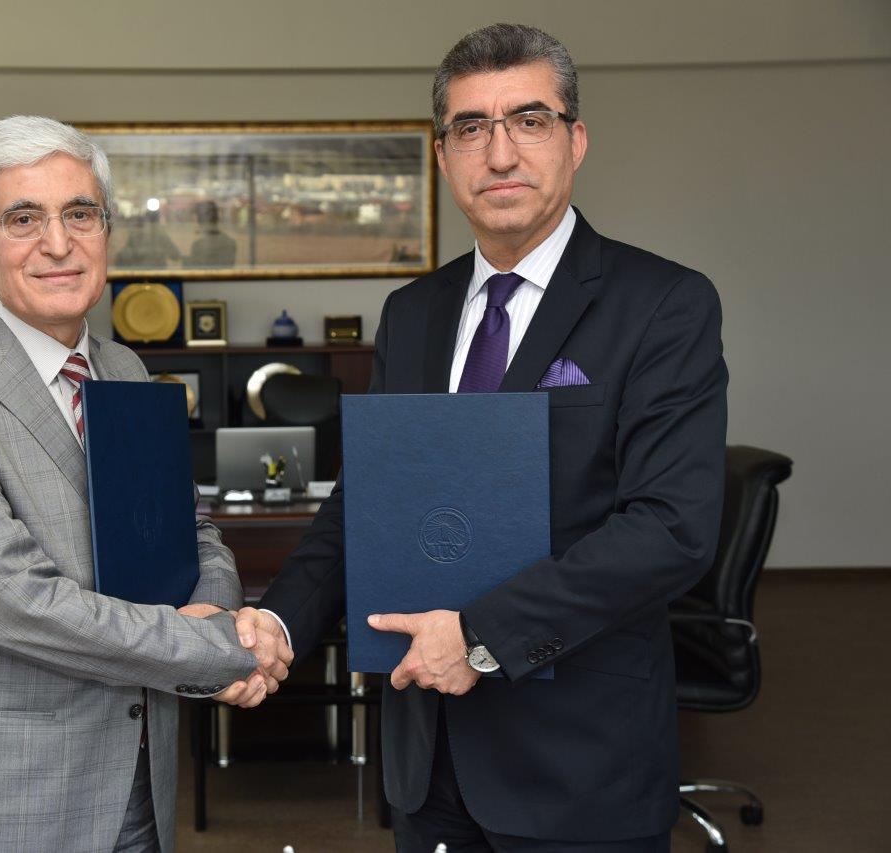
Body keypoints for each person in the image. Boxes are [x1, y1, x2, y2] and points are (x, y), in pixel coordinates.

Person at [234, 23, 728, 852]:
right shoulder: (412, 313)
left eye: (528, 121)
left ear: (575, 140)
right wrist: (279, 624)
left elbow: (670, 528)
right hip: (426, 760)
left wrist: (479, 635)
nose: (499, 154)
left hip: (579, 765)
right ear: (443, 155)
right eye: (471, 128)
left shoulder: (662, 305)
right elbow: (367, 505)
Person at [0, 116, 289, 853]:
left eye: (80, 214)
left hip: (136, 781)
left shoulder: (125, 371)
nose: (58, 244)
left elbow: (190, 532)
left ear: (106, 232)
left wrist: (221, 609)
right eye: (23, 218)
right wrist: (222, 648)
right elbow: (19, 607)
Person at [185, 200, 237, 267]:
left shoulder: (198, 245)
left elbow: (198, 269)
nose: (194, 223)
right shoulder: (230, 242)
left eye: (195, 219)